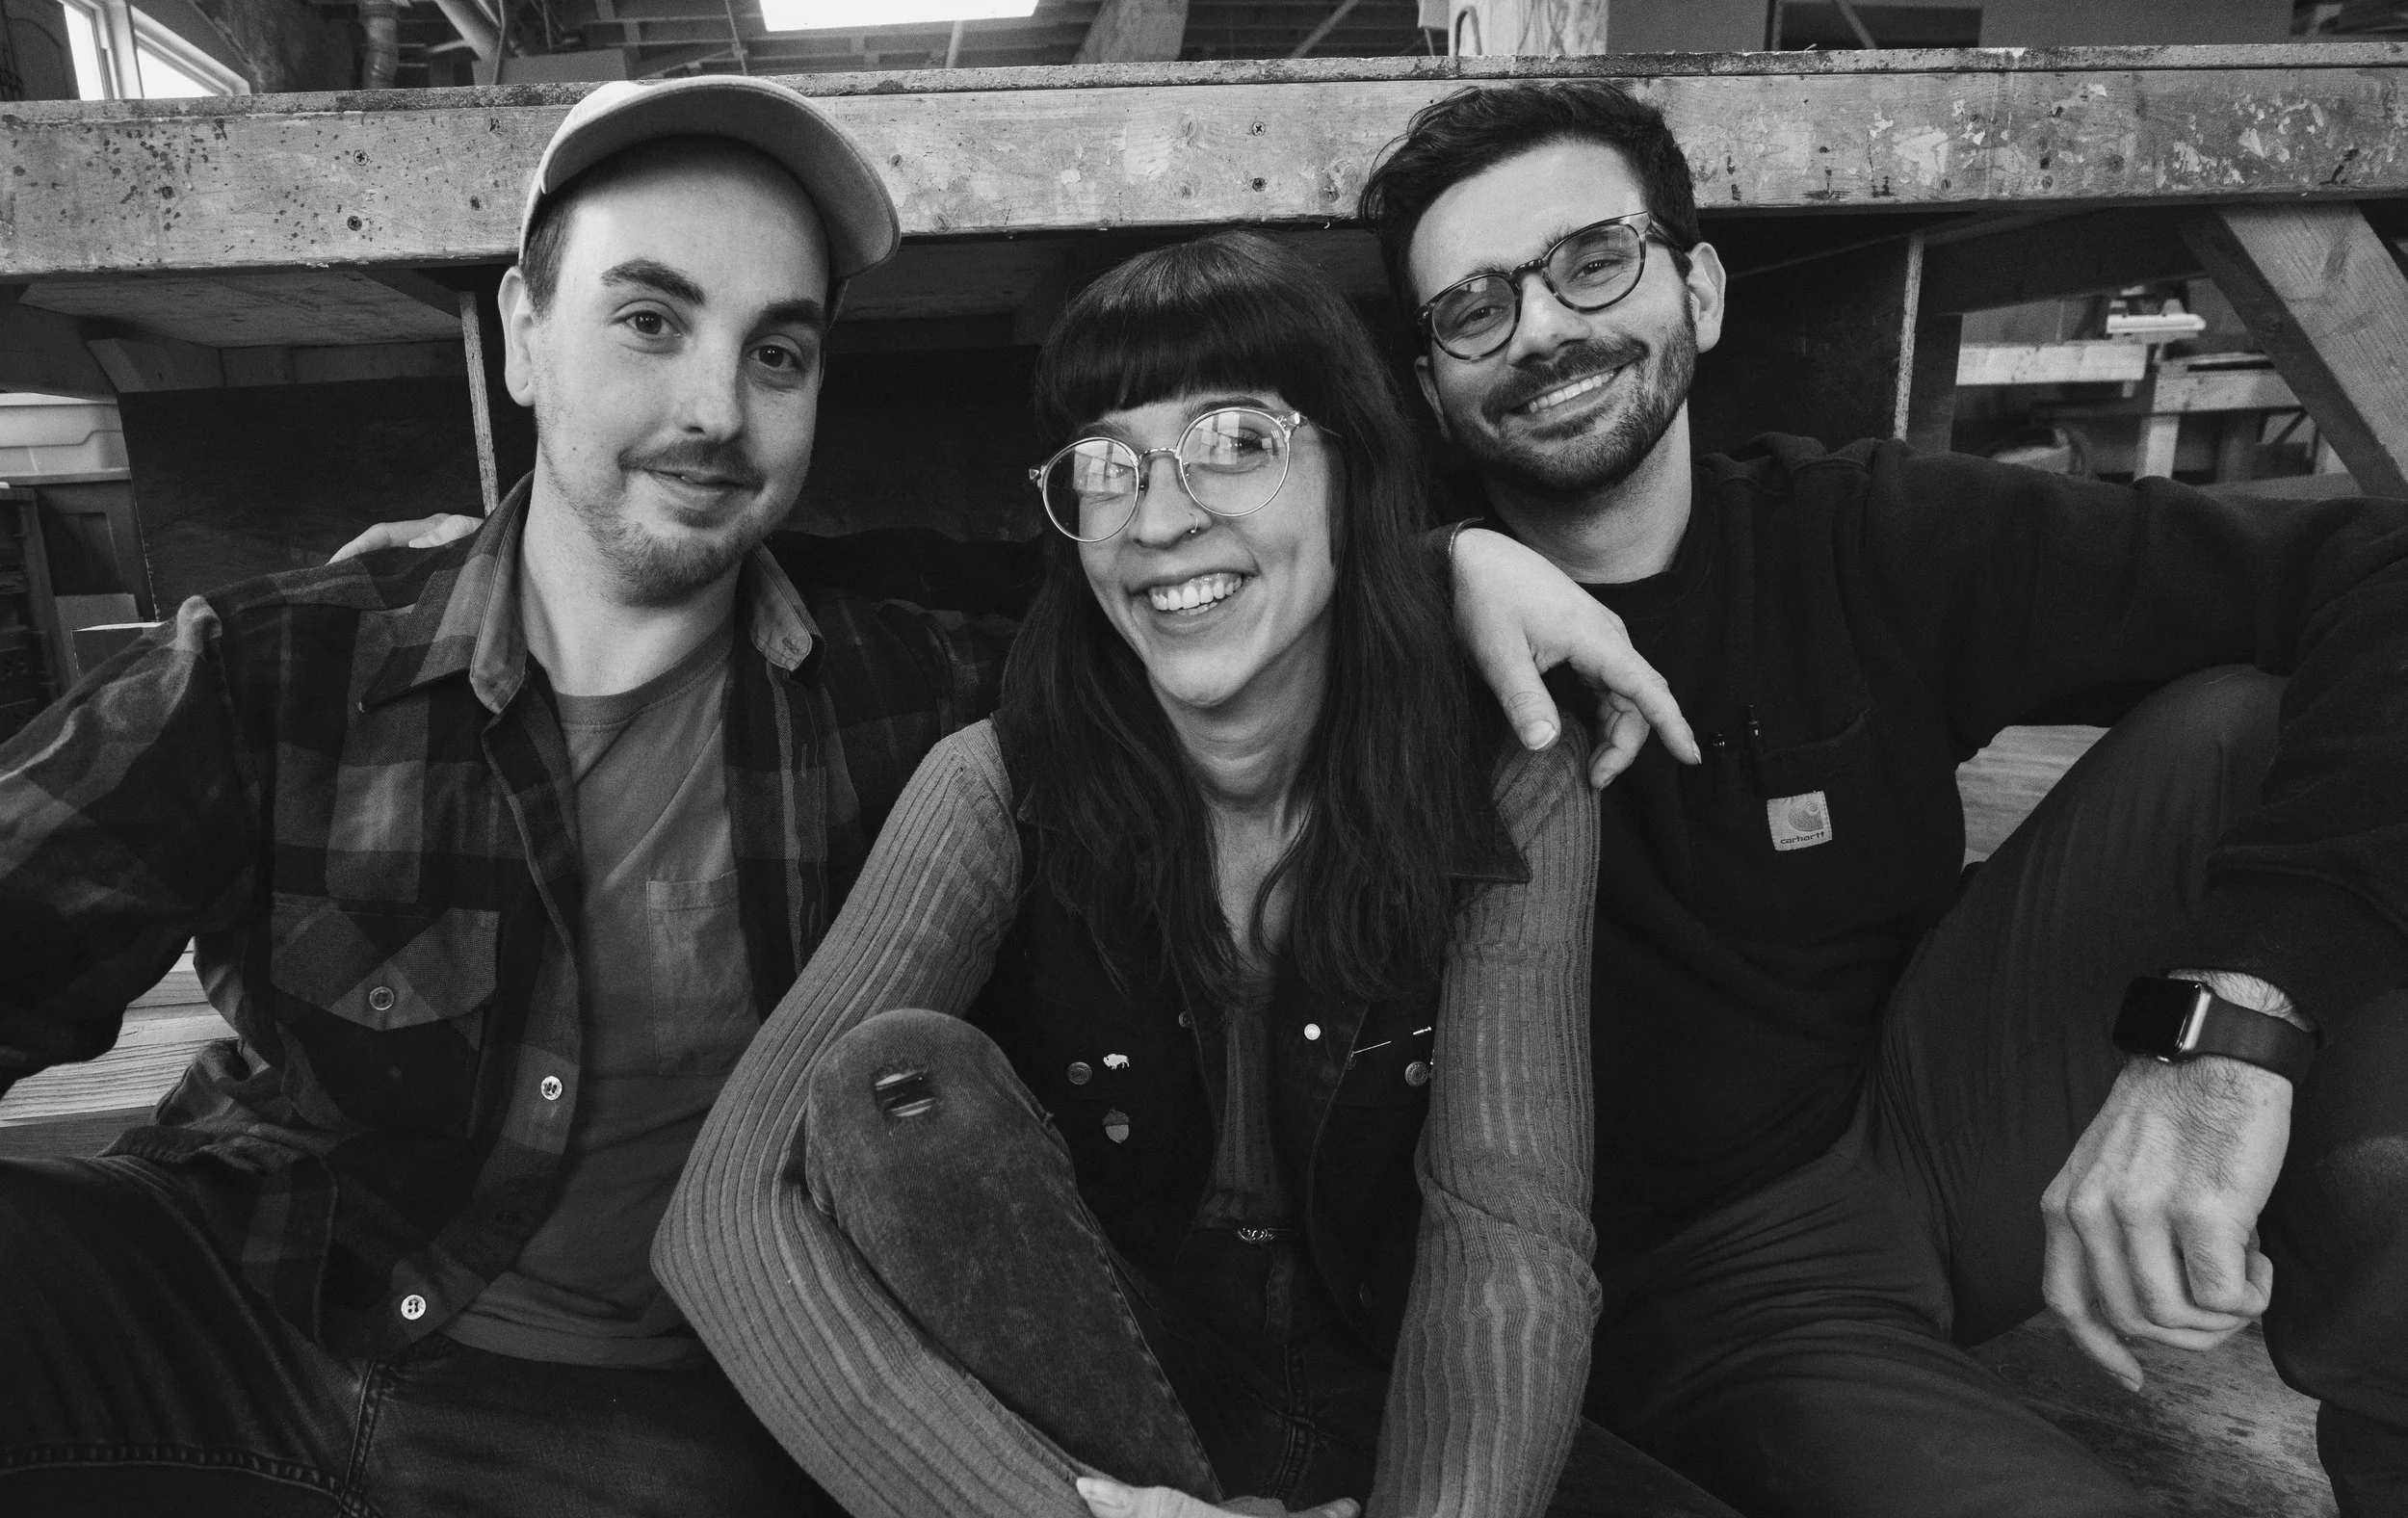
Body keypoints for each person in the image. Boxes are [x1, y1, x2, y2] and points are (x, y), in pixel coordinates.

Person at [0, 76, 1688, 1517]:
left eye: (779, 351)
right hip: (253, 1301)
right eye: (648, 321)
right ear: (521, 332)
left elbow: (1198, 602)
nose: (712, 407)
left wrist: (1444, 563)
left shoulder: (915, 682)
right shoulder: (283, 664)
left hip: (649, 1425)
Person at [1356, 79, 2408, 1518]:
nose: (1540, 328)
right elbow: (1131, 599)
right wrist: (1425, 567)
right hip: (1720, 1280)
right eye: (1475, 310)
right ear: (1430, 387)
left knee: (2254, 727)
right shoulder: (1379, 624)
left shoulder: (1864, 533)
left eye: (1592, 261)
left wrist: (2230, 1033)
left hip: (1945, 1110)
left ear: (1698, 290)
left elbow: (2380, 575)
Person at [653, 230, 1732, 1518]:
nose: (1160, 520)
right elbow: (724, 1214)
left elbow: (1504, 1229)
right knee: (898, 1091)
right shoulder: (994, 786)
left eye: (1236, 441)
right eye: (1107, 467)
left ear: (1351, 471)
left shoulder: (1508, 767)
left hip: (1399, 1385)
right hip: (1096, 1384)